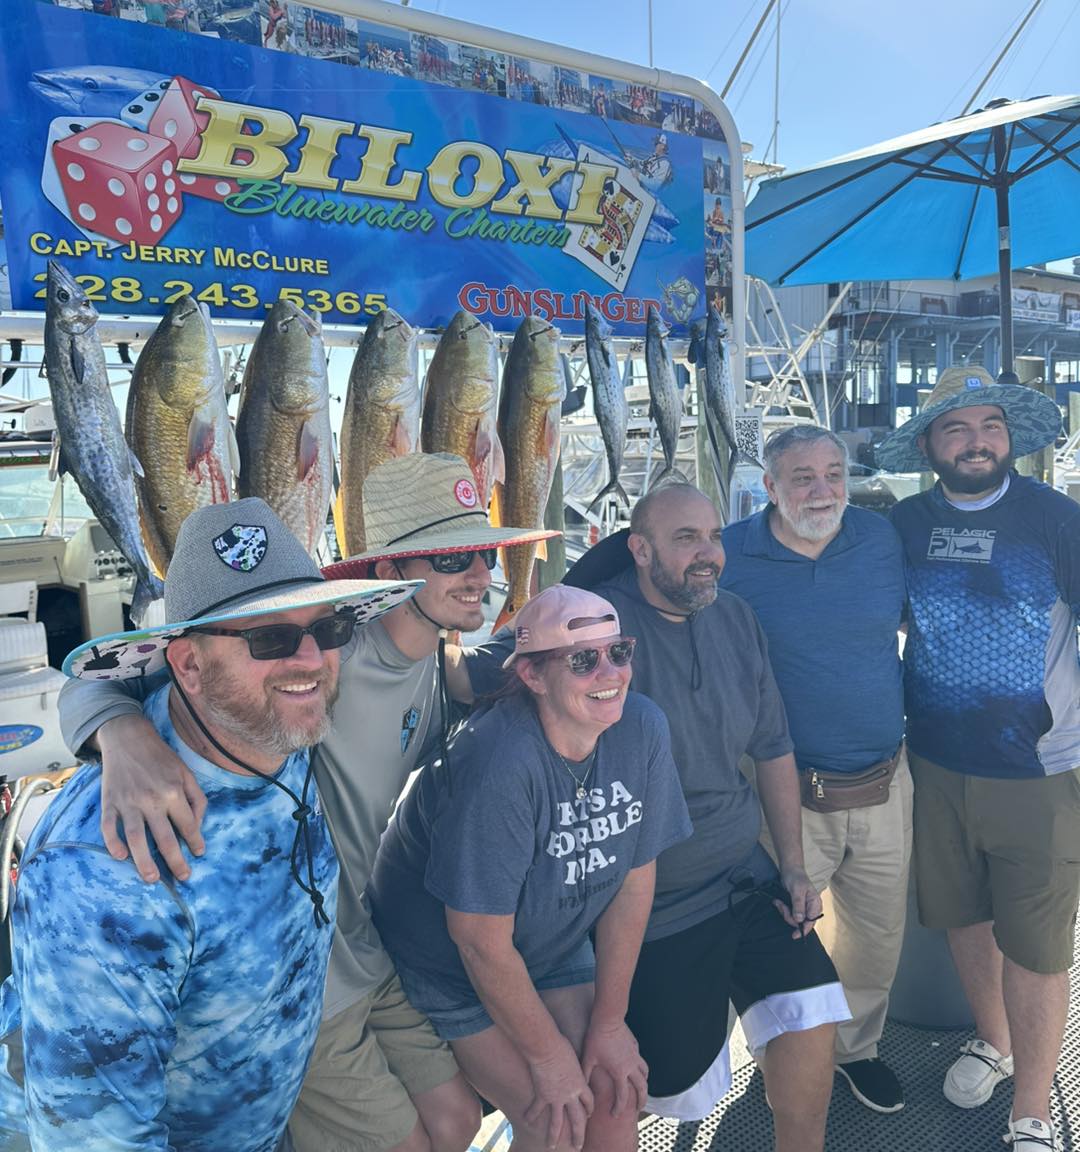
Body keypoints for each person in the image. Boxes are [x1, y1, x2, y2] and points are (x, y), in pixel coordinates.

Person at [53, 453, 555, 1152]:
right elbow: (132, 679)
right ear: (392, 571)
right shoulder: (312, 669)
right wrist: (119, 732)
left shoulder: (423, 667)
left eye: (486, 555)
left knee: (458, 1121)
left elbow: (514, 660)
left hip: (355, 938)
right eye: (454, 557)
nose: (479, 574)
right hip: (294, 978)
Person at [0, 498, 419, 1151]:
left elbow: (117, 683)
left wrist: (113, 721)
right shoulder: (104, 872)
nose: (312, 659)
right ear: (190, 667)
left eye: (328, 627)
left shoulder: (271, 730)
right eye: (270, 638)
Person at [463, 483, 850, 1152]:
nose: (708, 553)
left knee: (813, 1023)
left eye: (715, 537)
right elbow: (494, 669)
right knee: (647, 1082)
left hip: (745, 875)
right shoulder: (596, 628)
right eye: (685, 538)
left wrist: (792, 865)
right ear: (639, 550)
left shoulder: (737, 618)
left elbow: (772, 748)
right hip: (650, 902)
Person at [369, 585, 692, 1152]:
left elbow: (633, 881)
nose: (610, 673)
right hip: (451, 966)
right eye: (583, 660)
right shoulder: (499, 763)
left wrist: (610, 1025)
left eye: (618, 652)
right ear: (533, 675)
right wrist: (549, 1058)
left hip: (549, 940)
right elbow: (478, 943)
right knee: (554, 1125)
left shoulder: (642, 729)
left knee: (615, 1100)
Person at [877, 365, 1079, 1152]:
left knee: (1036, 944)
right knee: (962, 915)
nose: (976, 441)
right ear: (929, 444)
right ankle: (994, 1042)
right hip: (933, 761)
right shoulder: (905, 523)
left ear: (1010, 436)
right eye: (956, 428)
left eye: (990, 425)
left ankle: (1032, 1107)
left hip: (1039, 768)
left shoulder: (1055, 518)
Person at [720, 425, 911, 1114]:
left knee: (874, 941)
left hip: (885, 783)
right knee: (777, 940)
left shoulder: (881, 539)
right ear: (770, 487)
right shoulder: (728, 555)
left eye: (834, 473)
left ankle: (855, 1050)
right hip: (781, 793)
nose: (823, 490)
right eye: (802, 477)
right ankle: (781, 1054)